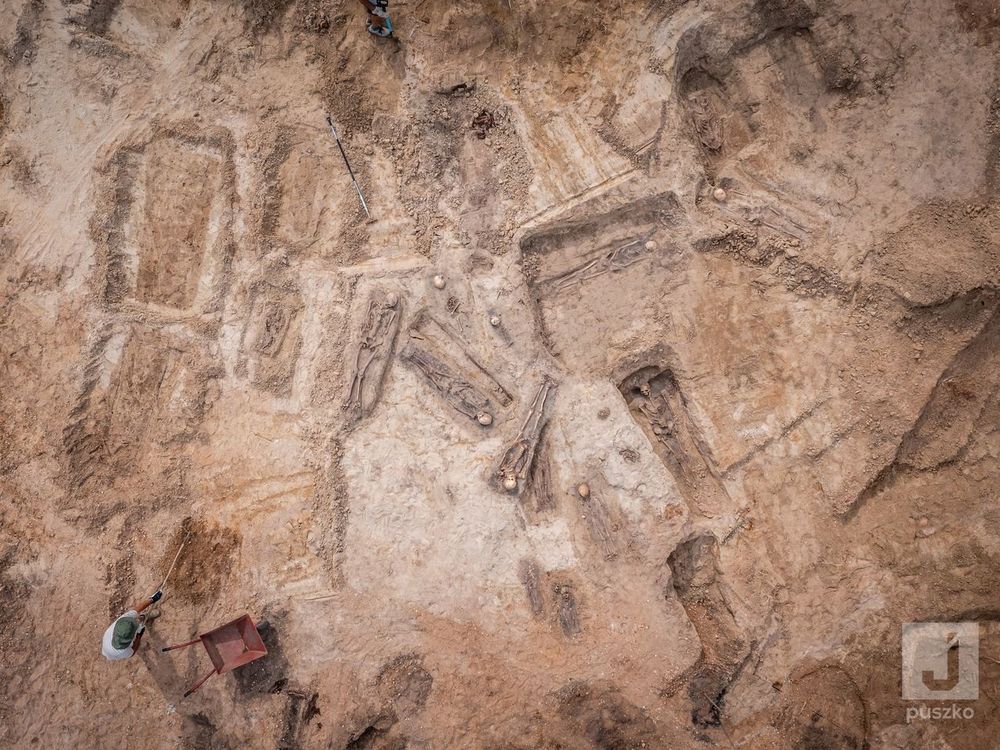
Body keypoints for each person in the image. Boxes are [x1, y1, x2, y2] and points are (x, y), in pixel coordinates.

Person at [101, 590, 162, 661]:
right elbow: (133, 651)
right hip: (111, 653)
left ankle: (144, 617)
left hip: (108, 643)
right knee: (136, 644)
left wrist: (152, 599)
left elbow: (136, 610)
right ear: (131, 638)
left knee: (134, 620)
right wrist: (139, 636)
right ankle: (143, 619)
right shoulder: (123, 652)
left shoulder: (122, 621)